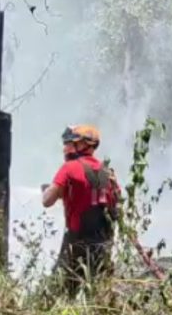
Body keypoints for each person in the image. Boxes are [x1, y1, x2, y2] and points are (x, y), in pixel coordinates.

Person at [42, 125, 120, 297]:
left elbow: (47, 201)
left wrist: (51, 190)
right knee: (98, 298)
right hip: (103, 246)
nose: (65, 148)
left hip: (76, 244)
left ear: (82, 145)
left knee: (56, 297)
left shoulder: (69, 168)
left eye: (69, 143)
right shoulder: (109, 173)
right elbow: (112, 203)